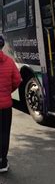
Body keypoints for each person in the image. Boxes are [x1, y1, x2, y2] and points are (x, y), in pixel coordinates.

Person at [0, 35, 21, 173]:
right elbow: (17, 81)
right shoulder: (9, 62)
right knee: (4, 134)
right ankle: (2, 162)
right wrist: (7, 92)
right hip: (5, 107)